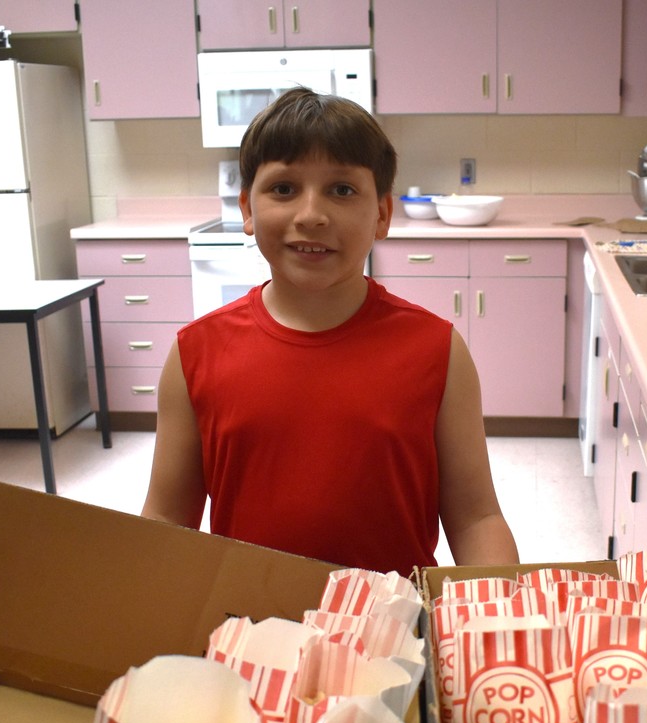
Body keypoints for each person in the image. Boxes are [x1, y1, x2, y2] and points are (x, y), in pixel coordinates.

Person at [141, 88, 519, 573]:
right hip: (247, 627)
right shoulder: (194, 354)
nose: (311, 215)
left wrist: (497, 617)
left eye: (342, 190)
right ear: (247, 210)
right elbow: (168, 519)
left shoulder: (436, 350)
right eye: (283, 189)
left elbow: (476, 519)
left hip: (393, 628)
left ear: (382, 214)